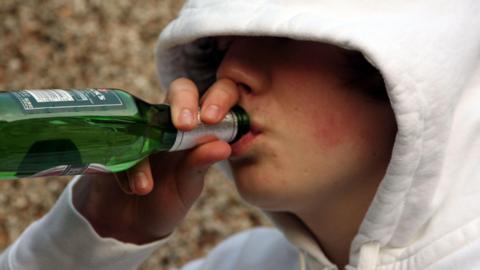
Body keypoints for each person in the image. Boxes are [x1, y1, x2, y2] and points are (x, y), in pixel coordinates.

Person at [1, 1, 480, 269]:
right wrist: (94, 236)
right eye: (218, 48)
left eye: (285, 37)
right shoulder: (241, 264)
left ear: (410, 67)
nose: (230, 72)